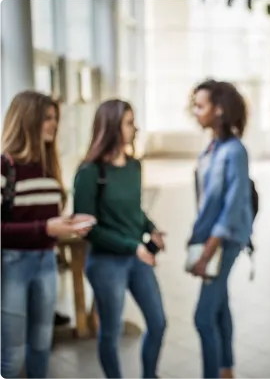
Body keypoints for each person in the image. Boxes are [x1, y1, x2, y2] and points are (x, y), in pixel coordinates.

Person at [0, 90, 94, 379]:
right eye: (47, 118)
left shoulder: (49, 167)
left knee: (42, 348)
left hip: (46, 263)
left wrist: (66, 223)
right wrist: (46, 228)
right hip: (13, 265)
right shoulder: (5, 166)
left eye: (55, 118)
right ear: (28, 120)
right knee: (11, 359)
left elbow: (44, 218)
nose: (54, 124)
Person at [73, 99, 167, 379]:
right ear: (112, 127)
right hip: (105, 264)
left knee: (158, 322)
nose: (135, 128)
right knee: (110, 332)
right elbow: (87, 227)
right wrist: (133, 246)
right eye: (129, 122)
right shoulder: (89, 173)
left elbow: (135, 210)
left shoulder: (134, 166)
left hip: (137, 258)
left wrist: (151, 228)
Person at [187, 80, 253, 379]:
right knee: (220, 306)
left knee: (202, 317)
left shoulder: (234, 150)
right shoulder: (212, 146)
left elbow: (232, 206)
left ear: (220, 110)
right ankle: (226, 370)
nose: (195, 111)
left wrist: (207, 253)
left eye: (201, 105)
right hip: (212, 238)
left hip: (225, 241)